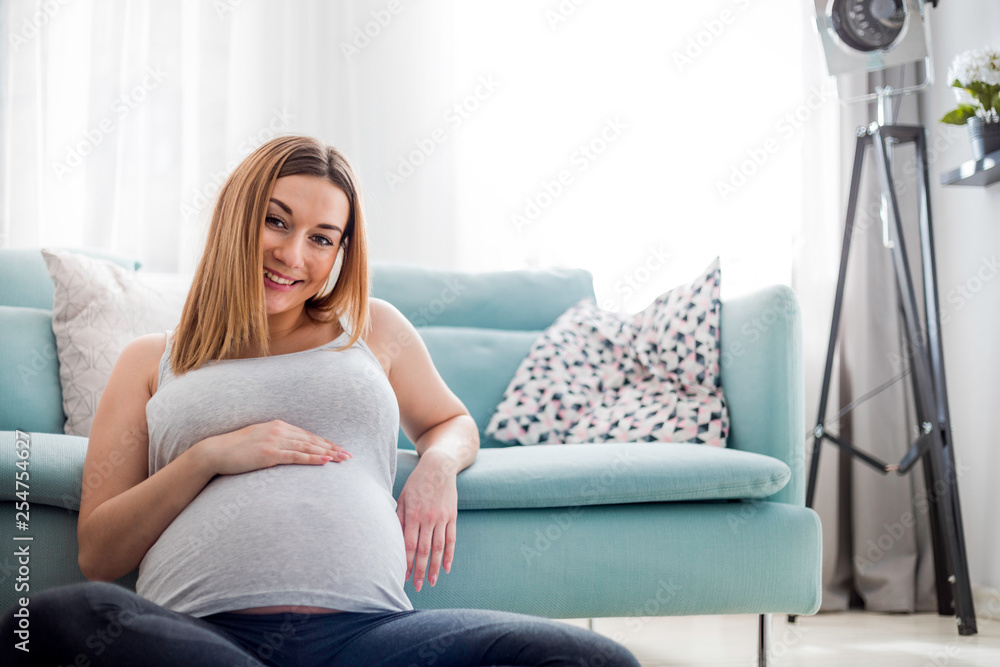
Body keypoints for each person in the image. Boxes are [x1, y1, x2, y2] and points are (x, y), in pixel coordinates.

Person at [1, 135, 641, 667]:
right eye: (276, 221)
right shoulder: (149, 360)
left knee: (594, 661)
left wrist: (437, 468)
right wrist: (210, 457)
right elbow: (98, 552)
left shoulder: (375, 330)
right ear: (236, 216)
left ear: (340, 252)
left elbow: (448, 421)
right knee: (55, 620)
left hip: (368, 638)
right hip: (203, 639)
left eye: (322, 237)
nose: (292, 254)